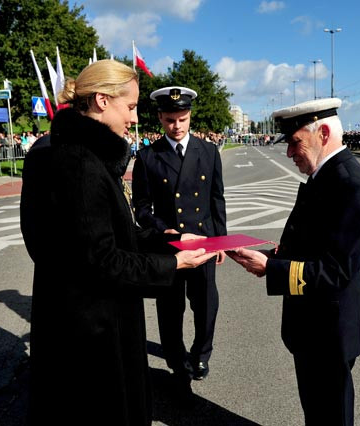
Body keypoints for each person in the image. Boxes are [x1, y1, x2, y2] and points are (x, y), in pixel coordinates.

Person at [20, 60, 216, 425]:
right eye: (130, 106)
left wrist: (166, 237)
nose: (135, 117)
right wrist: (173, 263)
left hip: (78, 316)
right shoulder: (80, 164)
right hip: (93, 331)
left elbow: (108, 231)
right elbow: (103, 259)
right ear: (101, 101)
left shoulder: (71, 152)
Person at [228, 98, 360, 426]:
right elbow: (309, 248)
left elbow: (338, 271)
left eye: (295, 142)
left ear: (323, 133)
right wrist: (267, 257)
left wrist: (271, 269)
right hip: (312, 326)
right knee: (316, 412)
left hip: (330, 329)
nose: (289, 152)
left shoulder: (351, 184)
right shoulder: (324, 177)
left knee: (331, 415)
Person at [132, 86, 227, 387]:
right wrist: (162, 229)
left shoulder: (208, 151)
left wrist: (221, 240)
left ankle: (201, 353)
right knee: (170, 309)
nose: (177, 126)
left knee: (206, 304)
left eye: (182, 119)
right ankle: (176, 362)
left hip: (203, 242)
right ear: (160, 117)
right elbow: (142, 207)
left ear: (190, 116)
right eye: (170, 119)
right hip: (169, 247)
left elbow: (216, 200)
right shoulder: (148, 156)